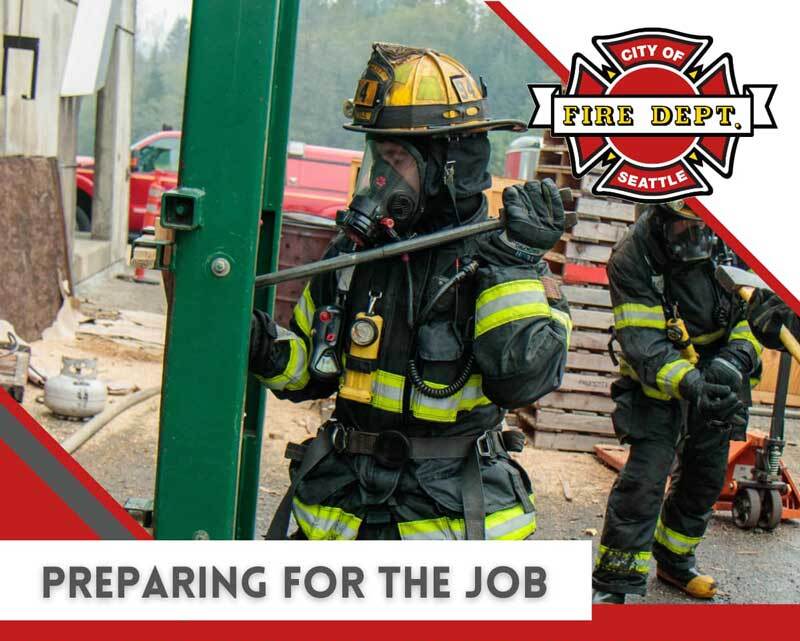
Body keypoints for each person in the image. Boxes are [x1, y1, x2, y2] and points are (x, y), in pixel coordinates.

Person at [249, 43, 572, 541]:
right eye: (376, 156)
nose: (379, 177)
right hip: (344, 510)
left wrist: (516, 264)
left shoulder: (499, 259)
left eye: (396, 158)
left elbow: (523, 381)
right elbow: (308, 373)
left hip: (448, 521)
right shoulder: (353, 258)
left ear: (448, 166)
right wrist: (260, 344)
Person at [593, 201, 763, 603]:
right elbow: (644, 345)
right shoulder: (632, 258)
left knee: (705, 474)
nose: (692, 238)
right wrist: (692, 385)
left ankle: (675, 560)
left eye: (701, 228)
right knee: (644, 479)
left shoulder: (737, 240)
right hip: (658, 378)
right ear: (660, 217)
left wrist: (734, 360)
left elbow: (758, 314)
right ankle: (615, 582)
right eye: (682, 228)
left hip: (722, 369)